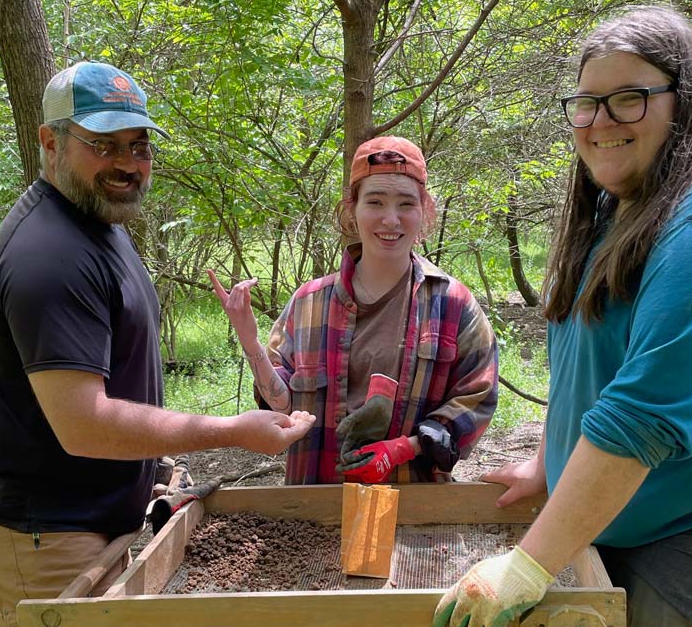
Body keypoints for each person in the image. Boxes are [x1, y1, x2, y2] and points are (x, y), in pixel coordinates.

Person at [434, 5, 692, 627]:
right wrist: (551, 459)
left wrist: (527, 566)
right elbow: (600, 370)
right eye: (587, 102)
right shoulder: (626, 209)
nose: (600, 121)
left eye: (629, 98)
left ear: (686, 102)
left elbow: (644, 416)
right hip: (621, 533)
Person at [0, 61, 315, 627]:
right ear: (51, 142)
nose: (127, 164)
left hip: (85, 522)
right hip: (41, 537)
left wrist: (159, 466)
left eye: (139, 147)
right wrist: (229, 431)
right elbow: (84, 425)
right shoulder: (48, 257)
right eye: (104, 145)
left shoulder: (99, 222)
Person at [209, 136, 499, 484]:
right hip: (313, 505)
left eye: (406, 204)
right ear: (352, 210)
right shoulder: (308, 303)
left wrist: (404, 448)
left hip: (415, 512)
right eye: (375, 201)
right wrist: (250, 341)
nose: (390, 219)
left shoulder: (454, 304)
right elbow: (283, 407)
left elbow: (476, 400)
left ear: (424, 210)